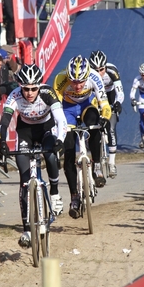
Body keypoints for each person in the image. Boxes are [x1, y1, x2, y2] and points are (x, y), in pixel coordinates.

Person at [0, 63, 67, 248]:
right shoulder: (15, 96)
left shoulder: (47, 93)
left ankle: (54, 193)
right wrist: (2, 143)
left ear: (39, 86)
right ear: (20, 87)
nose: (29, 93)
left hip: (46, 129)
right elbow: (4, 122)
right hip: (25, 132)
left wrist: (59, 140)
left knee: (51, 156)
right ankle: (27, 229)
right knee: (24, 179)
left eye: (33, 89)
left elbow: (61, 119)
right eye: (26, 89)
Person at [53, 55, 111, 219]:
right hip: (67, 110)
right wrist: (60, 128)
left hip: (86, 106)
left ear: (87, 76)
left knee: (95, 124)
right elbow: (55, 107)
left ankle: (97, 167)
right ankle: (74, 197)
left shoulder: (95, 77)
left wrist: (105, 119)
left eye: (81, 82)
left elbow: (104, 105)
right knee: (69, 150)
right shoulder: (60, 79)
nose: (77, 85)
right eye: (73, 81)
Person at [89, 50, 124, 178]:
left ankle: (112, 162)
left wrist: (118, 103)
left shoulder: (112, 70)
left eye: (102, 69)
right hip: (95, 96)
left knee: (111, 128)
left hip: (109, 95)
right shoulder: (87, 73)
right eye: (95, 70)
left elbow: (120, 91)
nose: (99, 72)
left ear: (105, 66)